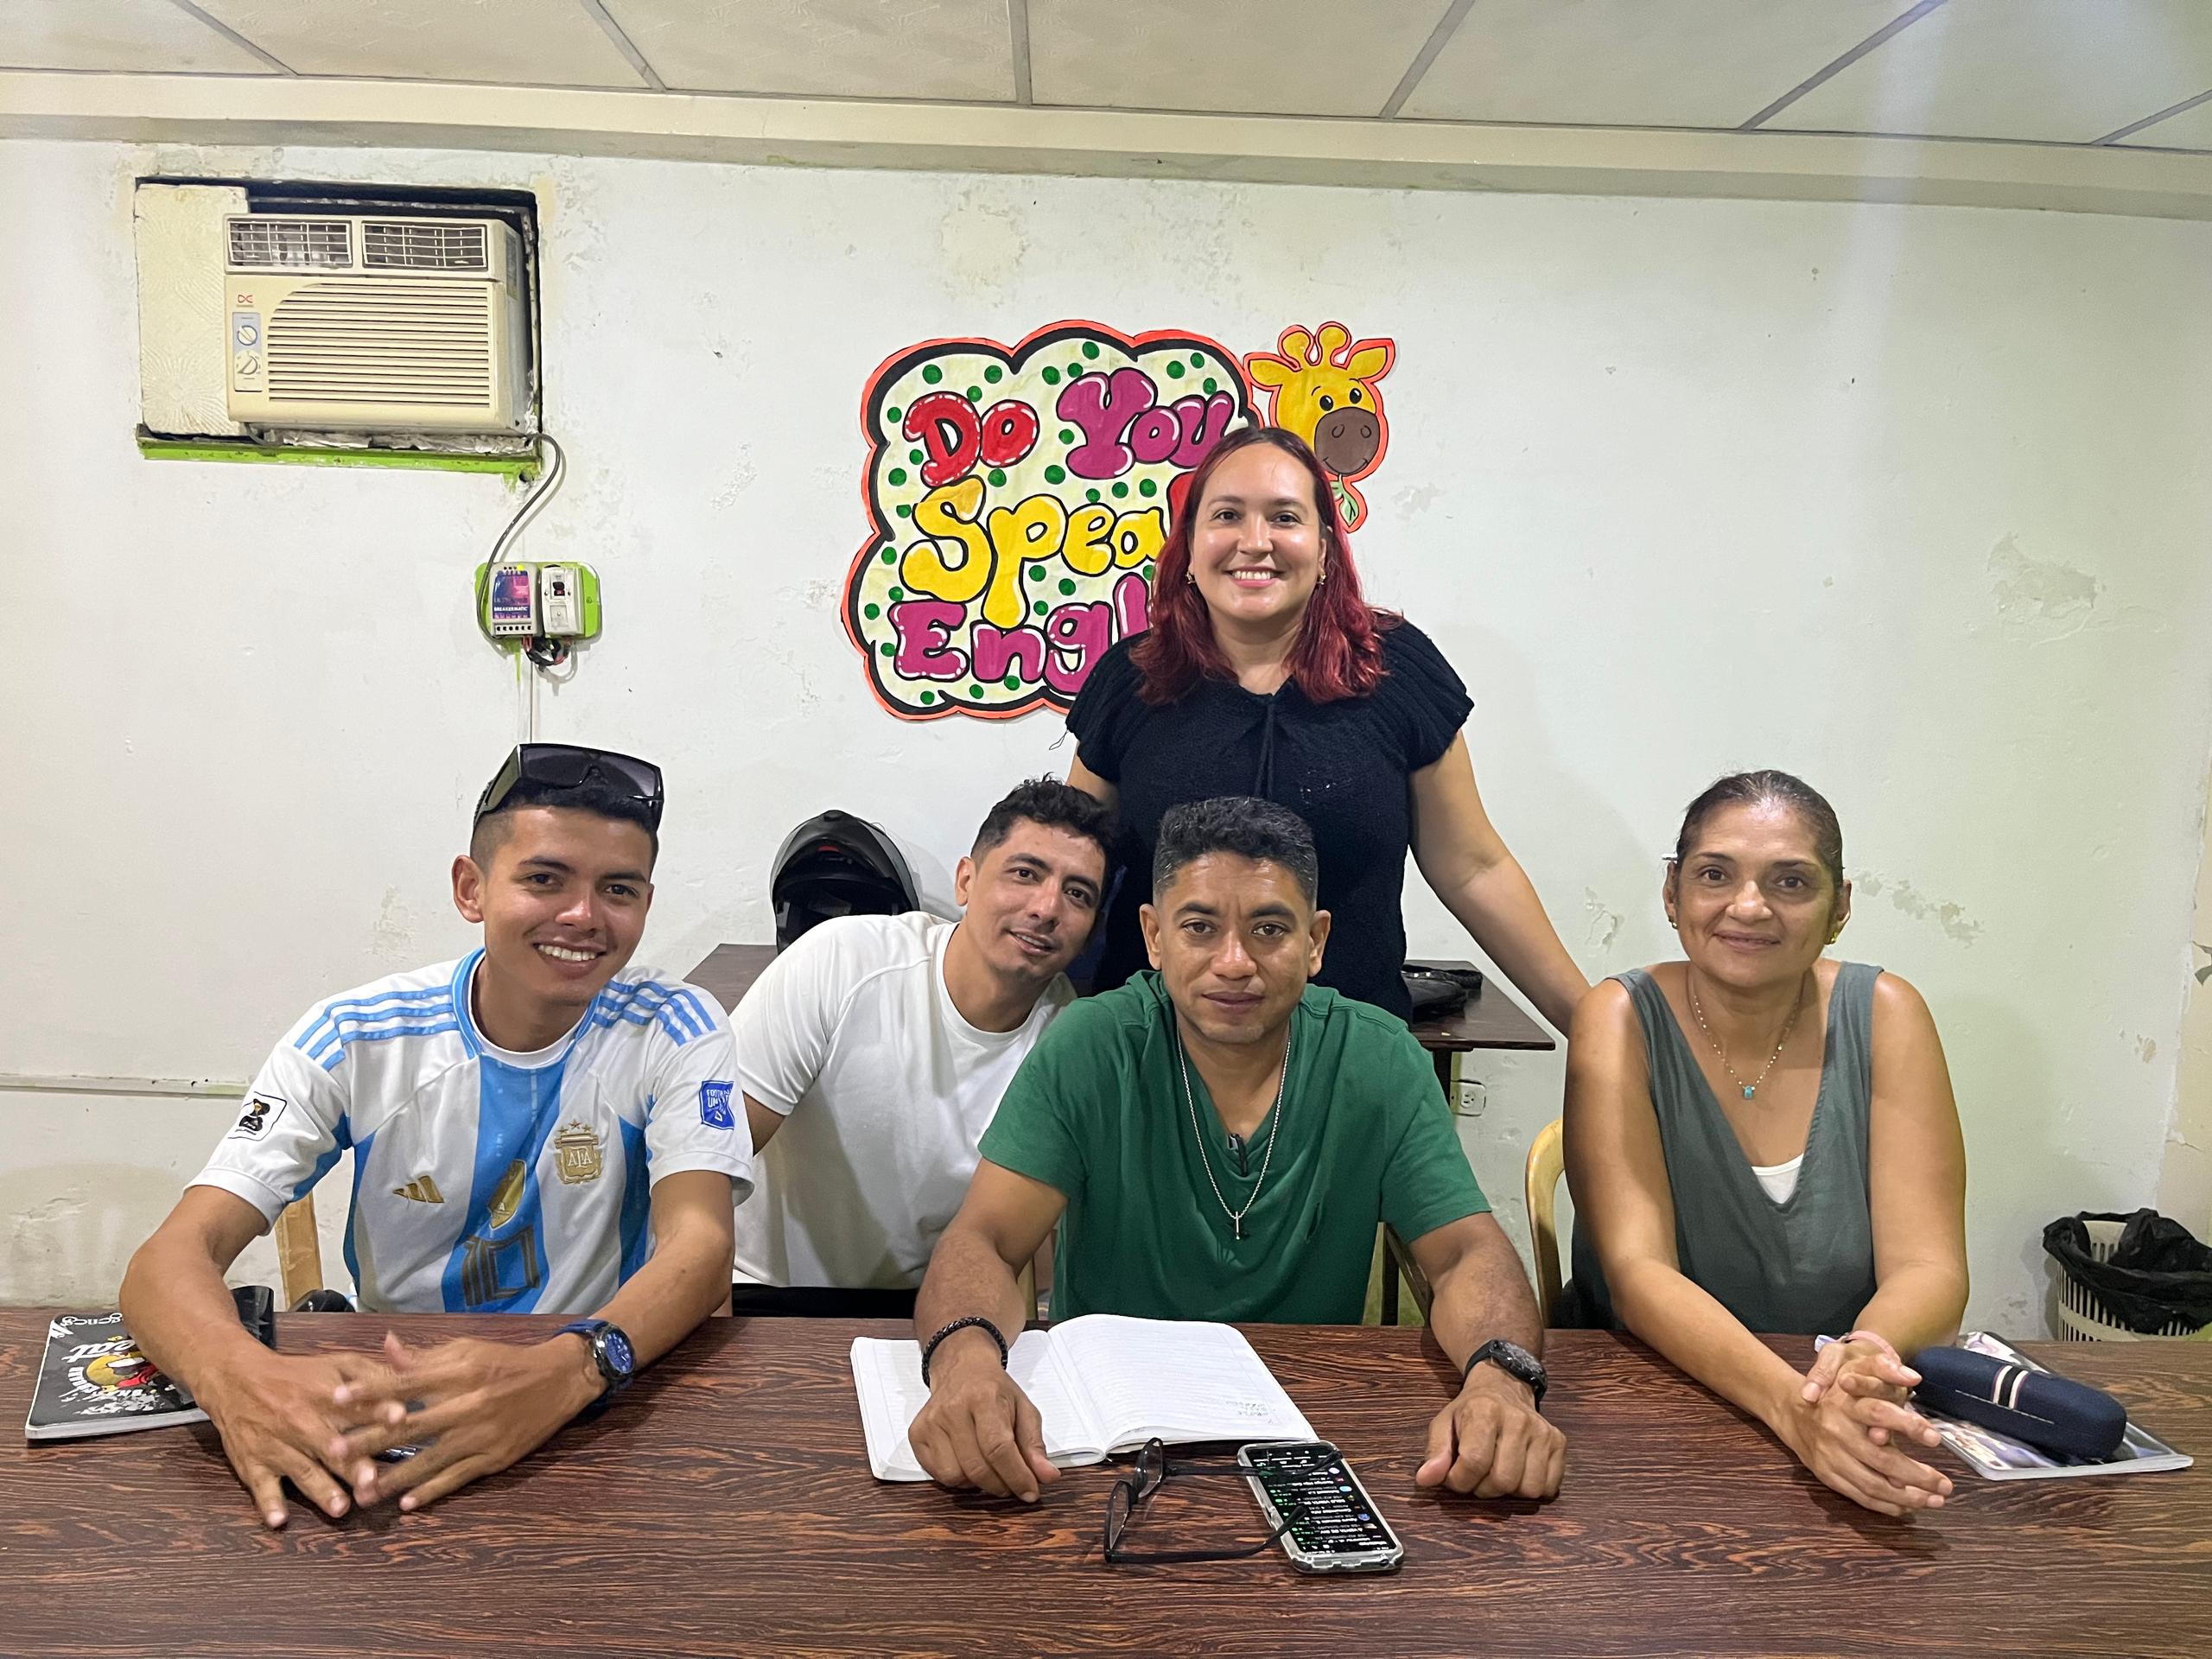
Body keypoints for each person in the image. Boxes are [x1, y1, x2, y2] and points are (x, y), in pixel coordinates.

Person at [119, 744, 751, 1528]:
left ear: (646, 904)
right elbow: (167, 1259)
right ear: (470, 888)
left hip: (590, 1403)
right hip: (395, 1401)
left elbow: (700, 1246)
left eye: (617, 889)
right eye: (544, 879)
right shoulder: (354, 1035)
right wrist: (236, 1377)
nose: (583, 916)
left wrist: (576, 1367)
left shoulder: (677, 1026)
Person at [906, 796, 1563, 1504]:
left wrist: (1502, 1379)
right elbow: (985, 1239)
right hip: (1106, 1444)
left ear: (1315, 942)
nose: (1234, 962)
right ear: (1154, 937)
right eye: (1199, 927)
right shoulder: (1093, 1045)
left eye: (1269, 930)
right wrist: (965, 1364)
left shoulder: (1378, 1059)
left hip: (1310, 1434)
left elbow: (1466, 1253)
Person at [1064, 424, 1586, 1030]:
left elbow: (1472, 868)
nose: (1254, 542)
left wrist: (1594, 1024)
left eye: (1284, 518)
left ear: (1324, 551)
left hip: (1350, 1052)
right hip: (1152, 1048)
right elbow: (1071, 865)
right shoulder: (1133, 680)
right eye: (1227, 515)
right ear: (1189, 547)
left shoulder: (1394, 670)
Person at [1562, 769, 1969, 1517]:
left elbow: (1930, 1266)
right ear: (1672, 892)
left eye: (1791, 882)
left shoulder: (1887, 1015)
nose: (1748, 906)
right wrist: (1793, 1407)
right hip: (1644, 1412)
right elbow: (1637, 1273)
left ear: (1840, 907)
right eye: (1715, 874)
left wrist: (1860, 1361)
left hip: (1841, 1407)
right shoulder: (1617, 1017)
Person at [731, 778, 1113, 1297]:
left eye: (1077, 894)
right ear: (966, 881)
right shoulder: (841, 961)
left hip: (927, 1307)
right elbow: (711, 1159)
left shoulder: (1071, 1043)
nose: (1047, 908)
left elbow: (1026, 1257)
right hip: (759, 1290)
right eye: (1025, 874)